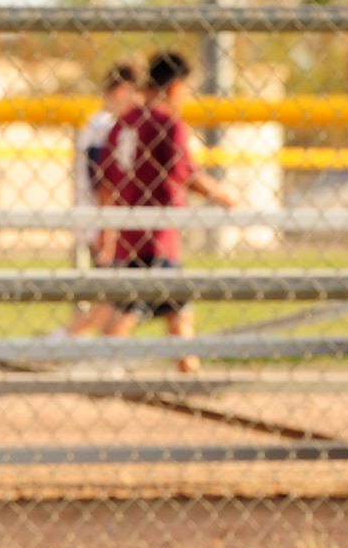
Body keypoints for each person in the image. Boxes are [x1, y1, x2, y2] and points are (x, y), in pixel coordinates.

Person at [94, 50, 237, 371]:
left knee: (176, 308)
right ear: (174, 86)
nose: (186, 95)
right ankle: (98, 363)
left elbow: (105, 181)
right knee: (133, 306)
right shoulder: (166, 122)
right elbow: (185, 173)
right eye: (185, 88)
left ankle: (189, 370)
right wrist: (225, 196)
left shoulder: (124, 121)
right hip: (156, 235)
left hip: (130, 231)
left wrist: (106, 229)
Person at [63, 62, 140, 339]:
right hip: (103, 224)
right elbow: (103, 183)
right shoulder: (104, 124)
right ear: (122, 90)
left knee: (115, 299)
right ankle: (57, 341)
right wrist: (108, 231)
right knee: (112, 299)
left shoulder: (99, 123)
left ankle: (98, 354)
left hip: (100, 222)